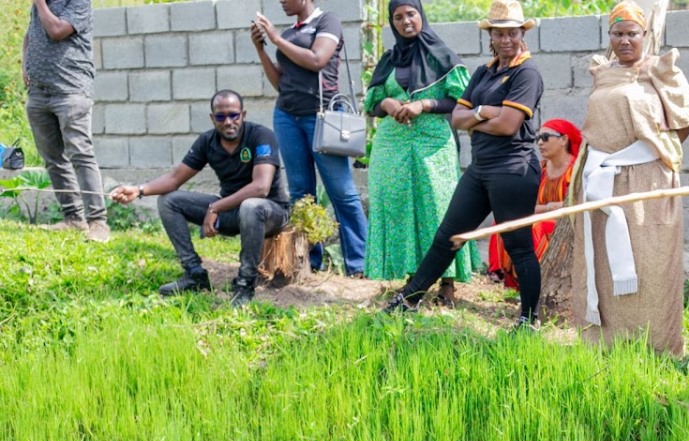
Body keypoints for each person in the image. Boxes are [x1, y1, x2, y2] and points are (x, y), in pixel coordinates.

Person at [383, 0, 545, 328]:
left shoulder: (527, 73)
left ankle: (530, 319)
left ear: (521, 34)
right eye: (499, 34)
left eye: (512, 33)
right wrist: (485, 113)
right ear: (491, 37)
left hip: (514, 168)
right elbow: (456, 118)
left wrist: (478, 117)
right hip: (481, 167)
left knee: (518, 245)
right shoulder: (485, 72)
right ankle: (409, 299)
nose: (506, 40)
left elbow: (508, 126)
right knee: (449, 235)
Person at [571, 1, 689, 355]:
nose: (625, 41)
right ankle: (606, 341)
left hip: (646, 181)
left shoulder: (660, 69)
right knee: (604, 262)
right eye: (618, 33)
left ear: (645, 35)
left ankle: (656, 345)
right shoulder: (602, 71)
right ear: (609, 36)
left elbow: (685, 120)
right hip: (600, 181)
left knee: (651, 263)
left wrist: (652, 152)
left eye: (632, 34)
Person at [108, 91, 290, 308]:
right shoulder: (207, 141)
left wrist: (216, 206)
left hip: (270, 212)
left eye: (234, 115)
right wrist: (138, 190)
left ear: (243, 114)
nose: (228, 121)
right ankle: (194, 273)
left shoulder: (261, 136)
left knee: (250, 206)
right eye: (221, 117)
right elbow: (175, 178)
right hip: (232, 210)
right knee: (169, 201)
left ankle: (245, 282)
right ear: (213, 118)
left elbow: (261, 187)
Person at [364, 0, 476, 305]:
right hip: (392, 144)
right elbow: (371, 103)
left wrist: (424, 104)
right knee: (401, 207)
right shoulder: (388, 59)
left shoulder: (442, 56)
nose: (405, 21)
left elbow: (463, 102)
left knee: (439, 208)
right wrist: (386, 104)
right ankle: (414, 276)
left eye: (411, 14)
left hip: (432, 143)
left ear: (421, 16)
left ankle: (448, 282)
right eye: (398, 17)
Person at [251, 0, 369, 277]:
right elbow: (281, 83)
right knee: (301, 193)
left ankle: (360, 262)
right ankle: (308, 260)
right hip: (287, 116)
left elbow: (317, 60)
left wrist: (276, 38)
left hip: (322, 117)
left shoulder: (327, 21)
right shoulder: (291, 32)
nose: (280, 1)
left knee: (341, 191)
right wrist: (262, 49)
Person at [22, 0, 108, 242]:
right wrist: (24, 63)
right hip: (39, 93)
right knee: (52, 158)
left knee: (80, 153)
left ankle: (98, 222)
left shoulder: (78, 2)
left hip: (71, 89)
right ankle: (73, 218)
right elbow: (31, 33)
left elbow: (57, 31)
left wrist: (39, 3)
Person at [489, 118, 581, 290]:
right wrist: (548, 207)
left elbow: (578, 203)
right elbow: (525, 205)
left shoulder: (576, 169)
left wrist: (548, 209)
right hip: (542, 217)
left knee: (535, 227)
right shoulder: (540, 169)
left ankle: (535, 280)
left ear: (564, 140)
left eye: (546, 137)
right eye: (537, 138)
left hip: (569, 223)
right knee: (501, 222)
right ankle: (503, 274)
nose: (540, 143)